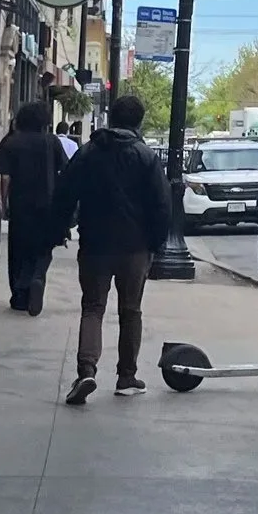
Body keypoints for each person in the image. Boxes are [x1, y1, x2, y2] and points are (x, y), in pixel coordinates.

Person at [50, 93, 172, 404]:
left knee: (93, 307)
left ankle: (86, 370)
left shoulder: (89, 152)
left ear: (112, 119)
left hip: (95, 243)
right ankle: (127, 376)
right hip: (135, 247)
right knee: (131, 310)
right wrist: (156, 243)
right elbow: (161, 204)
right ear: (139, 122)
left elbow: (64, 193)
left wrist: (60, 227)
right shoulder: (146, 157)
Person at [0, 102, 66, 315]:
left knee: (18, 250)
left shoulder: (11, 142)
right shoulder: (51, 142)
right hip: (48, 204)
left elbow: (4, 177)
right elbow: (65, 170)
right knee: (43, 248)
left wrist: (3, 203)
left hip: (20, 205)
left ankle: (19, 294)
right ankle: (37, 277)